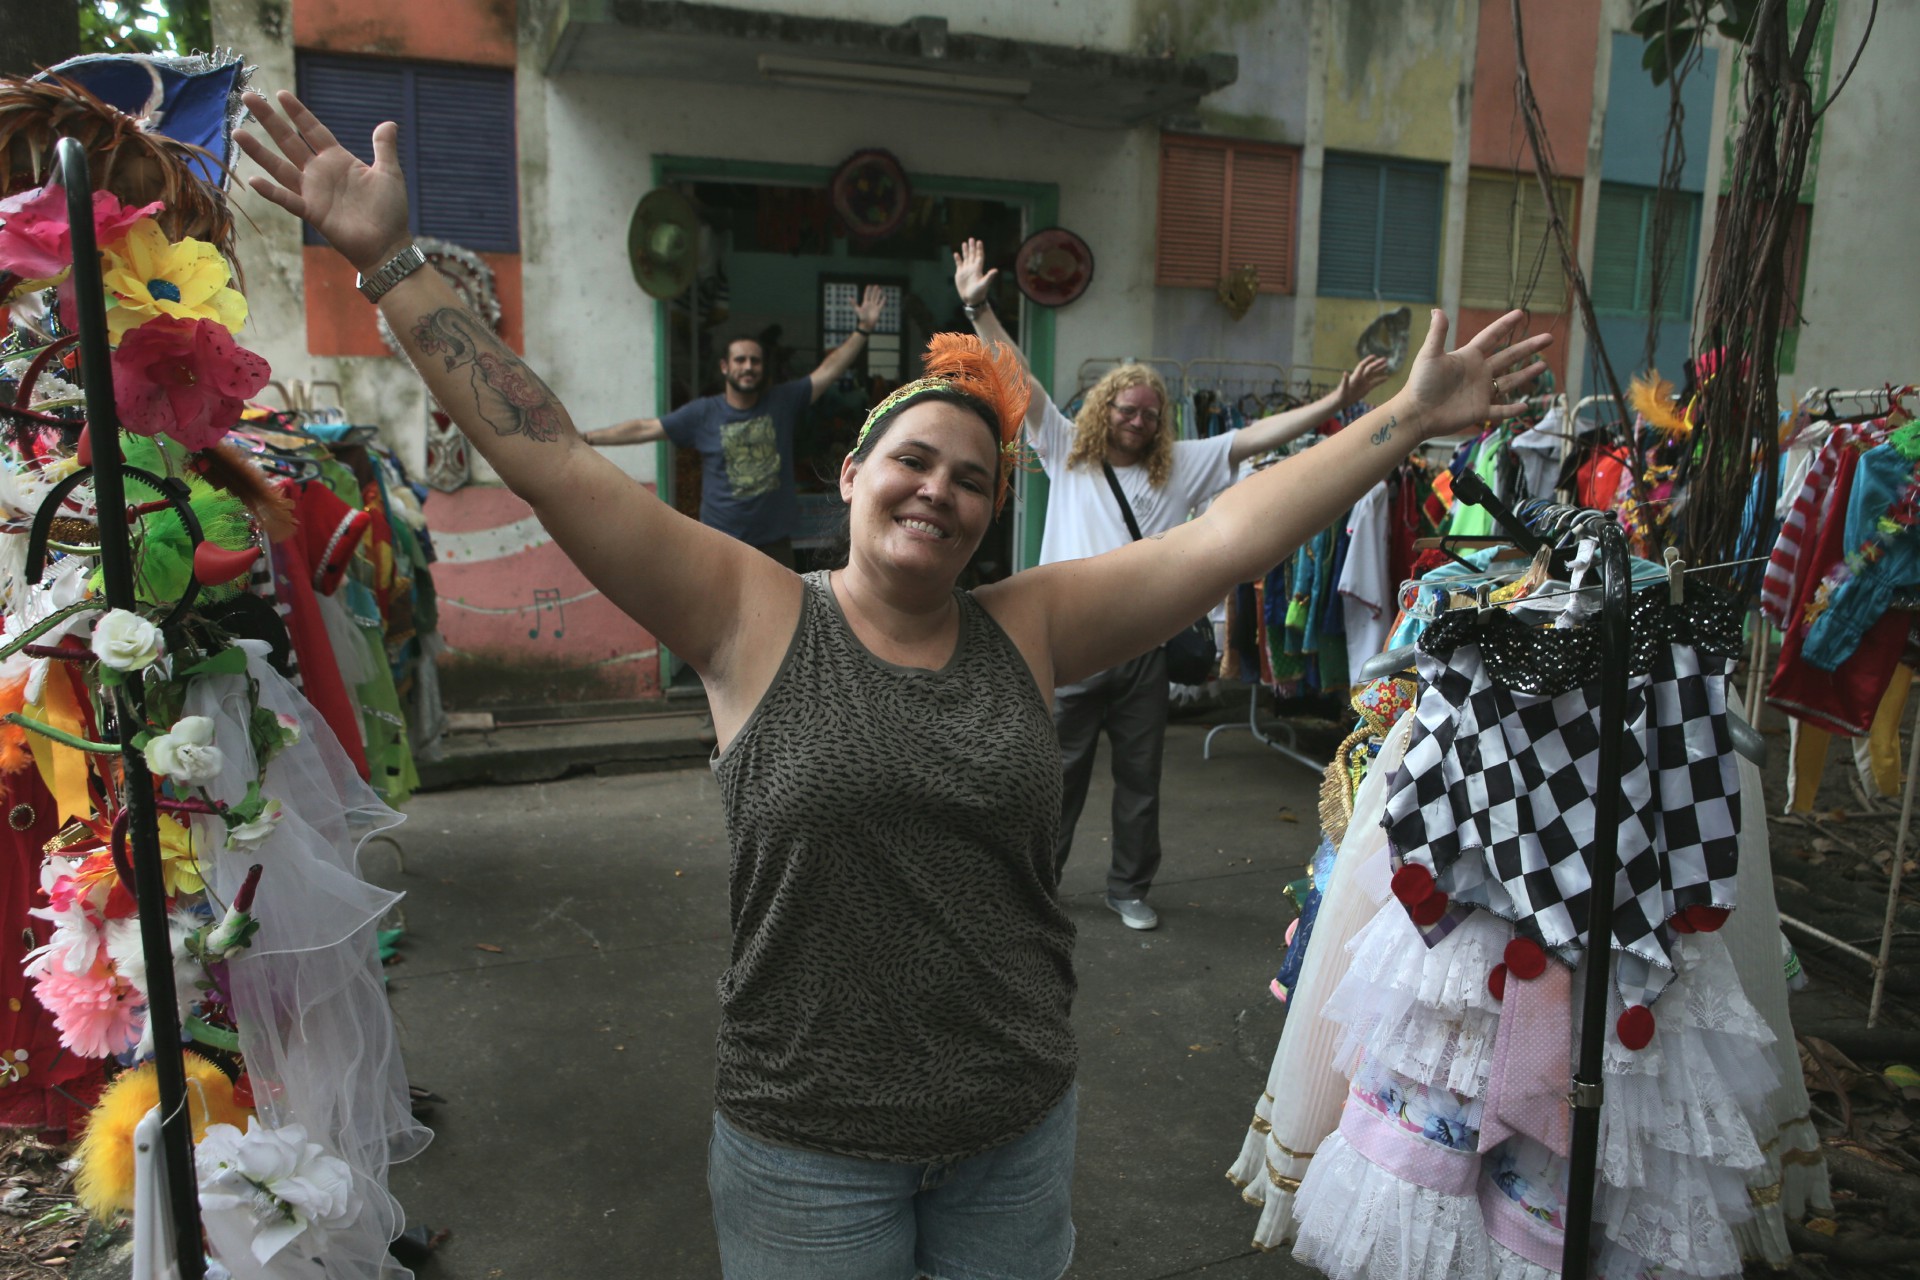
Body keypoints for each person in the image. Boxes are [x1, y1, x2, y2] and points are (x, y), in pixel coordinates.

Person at [238, 88, 1549, 1280]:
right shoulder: (749, 616)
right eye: (915, 460)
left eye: (977, 479)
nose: (945, 488)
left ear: (994, 515)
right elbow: (554, 460)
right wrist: (394, 265)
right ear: (853, 472)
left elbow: (1226, 538)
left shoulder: (1029, 626)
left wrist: (1400, 423)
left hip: (1014, 1127)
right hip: (808, 1150)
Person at [951, 238, 1390, 932]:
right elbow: (1017, 378)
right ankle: (1040, 887)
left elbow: (1252, 440)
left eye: (1149, 413)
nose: (1137, 420)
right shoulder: (1066, 450)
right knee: (1052, 780)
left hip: (1142, 648)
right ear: (1104, 410)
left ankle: (1130, 888)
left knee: (1139, 782)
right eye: (1126, 410)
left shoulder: (1177, 465)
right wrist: (978, 306)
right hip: (1067, 645)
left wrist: (1333, 404)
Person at [581, 292, 886, 567]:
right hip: (720, 541)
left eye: (755, 360)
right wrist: (589, 438)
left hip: (774, 545)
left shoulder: (782, 401)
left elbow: (828, 370)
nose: (748, 366)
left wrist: (864, 329)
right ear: (725, 367)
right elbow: (646, 428)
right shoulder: (703, 413)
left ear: (763, 367)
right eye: (740, 360)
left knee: (779, 619)